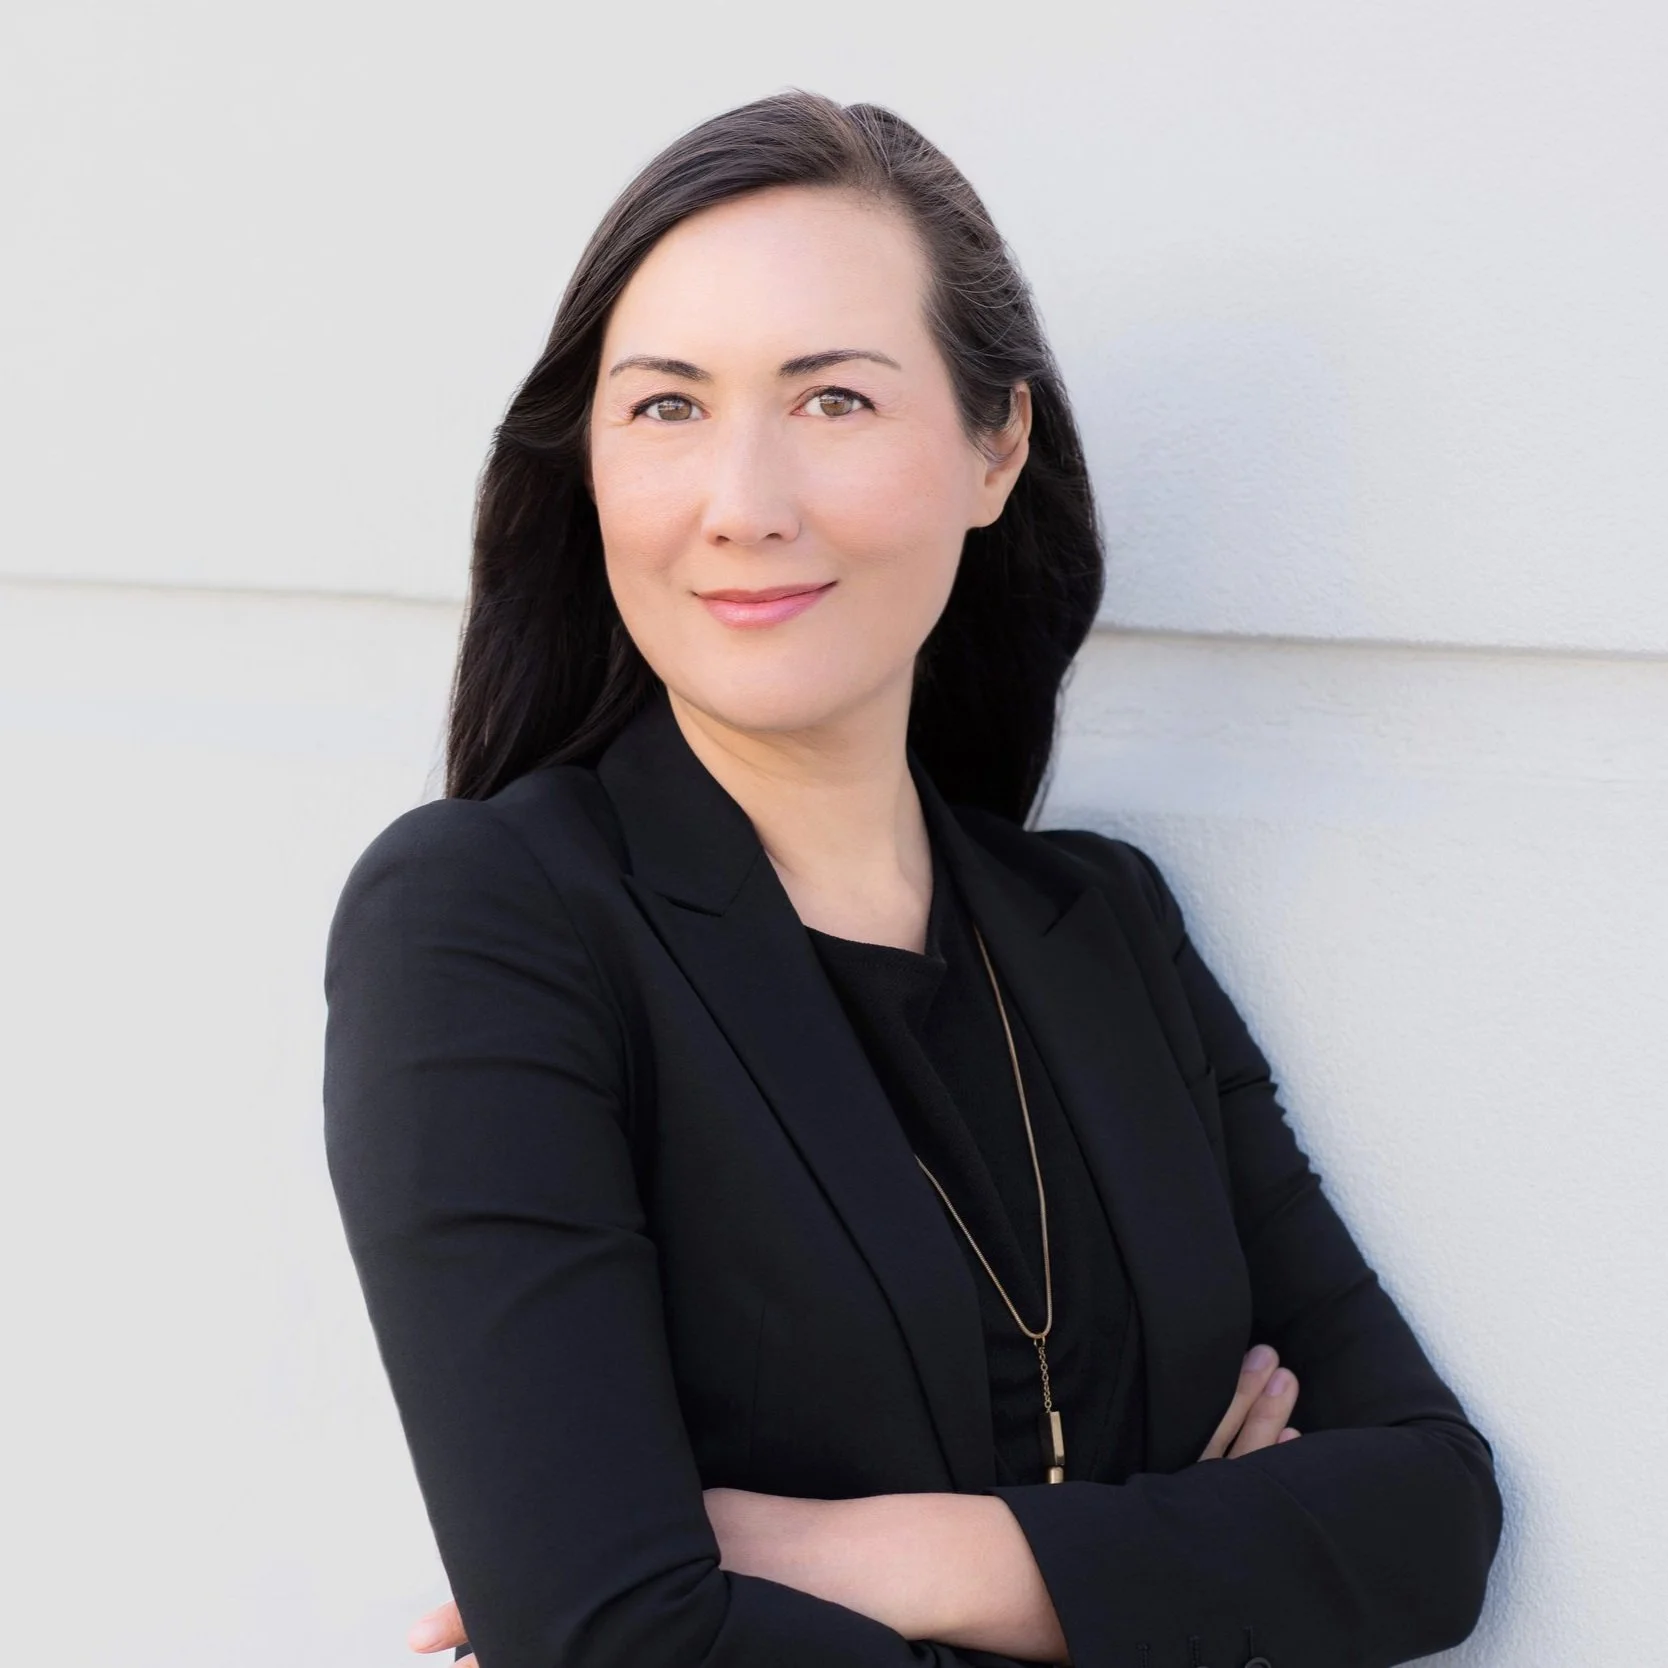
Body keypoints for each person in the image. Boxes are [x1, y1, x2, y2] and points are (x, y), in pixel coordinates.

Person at [322, 91, 1503, 1668]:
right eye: (666, 407)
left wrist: (871, 1556)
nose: (742, 502)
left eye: (833, 402)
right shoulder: (491, 923)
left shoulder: (1106, 929)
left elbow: (1428, 1517)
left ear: (995, 446)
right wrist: (1181, 1566)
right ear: (587, 462)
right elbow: (622, 1637)